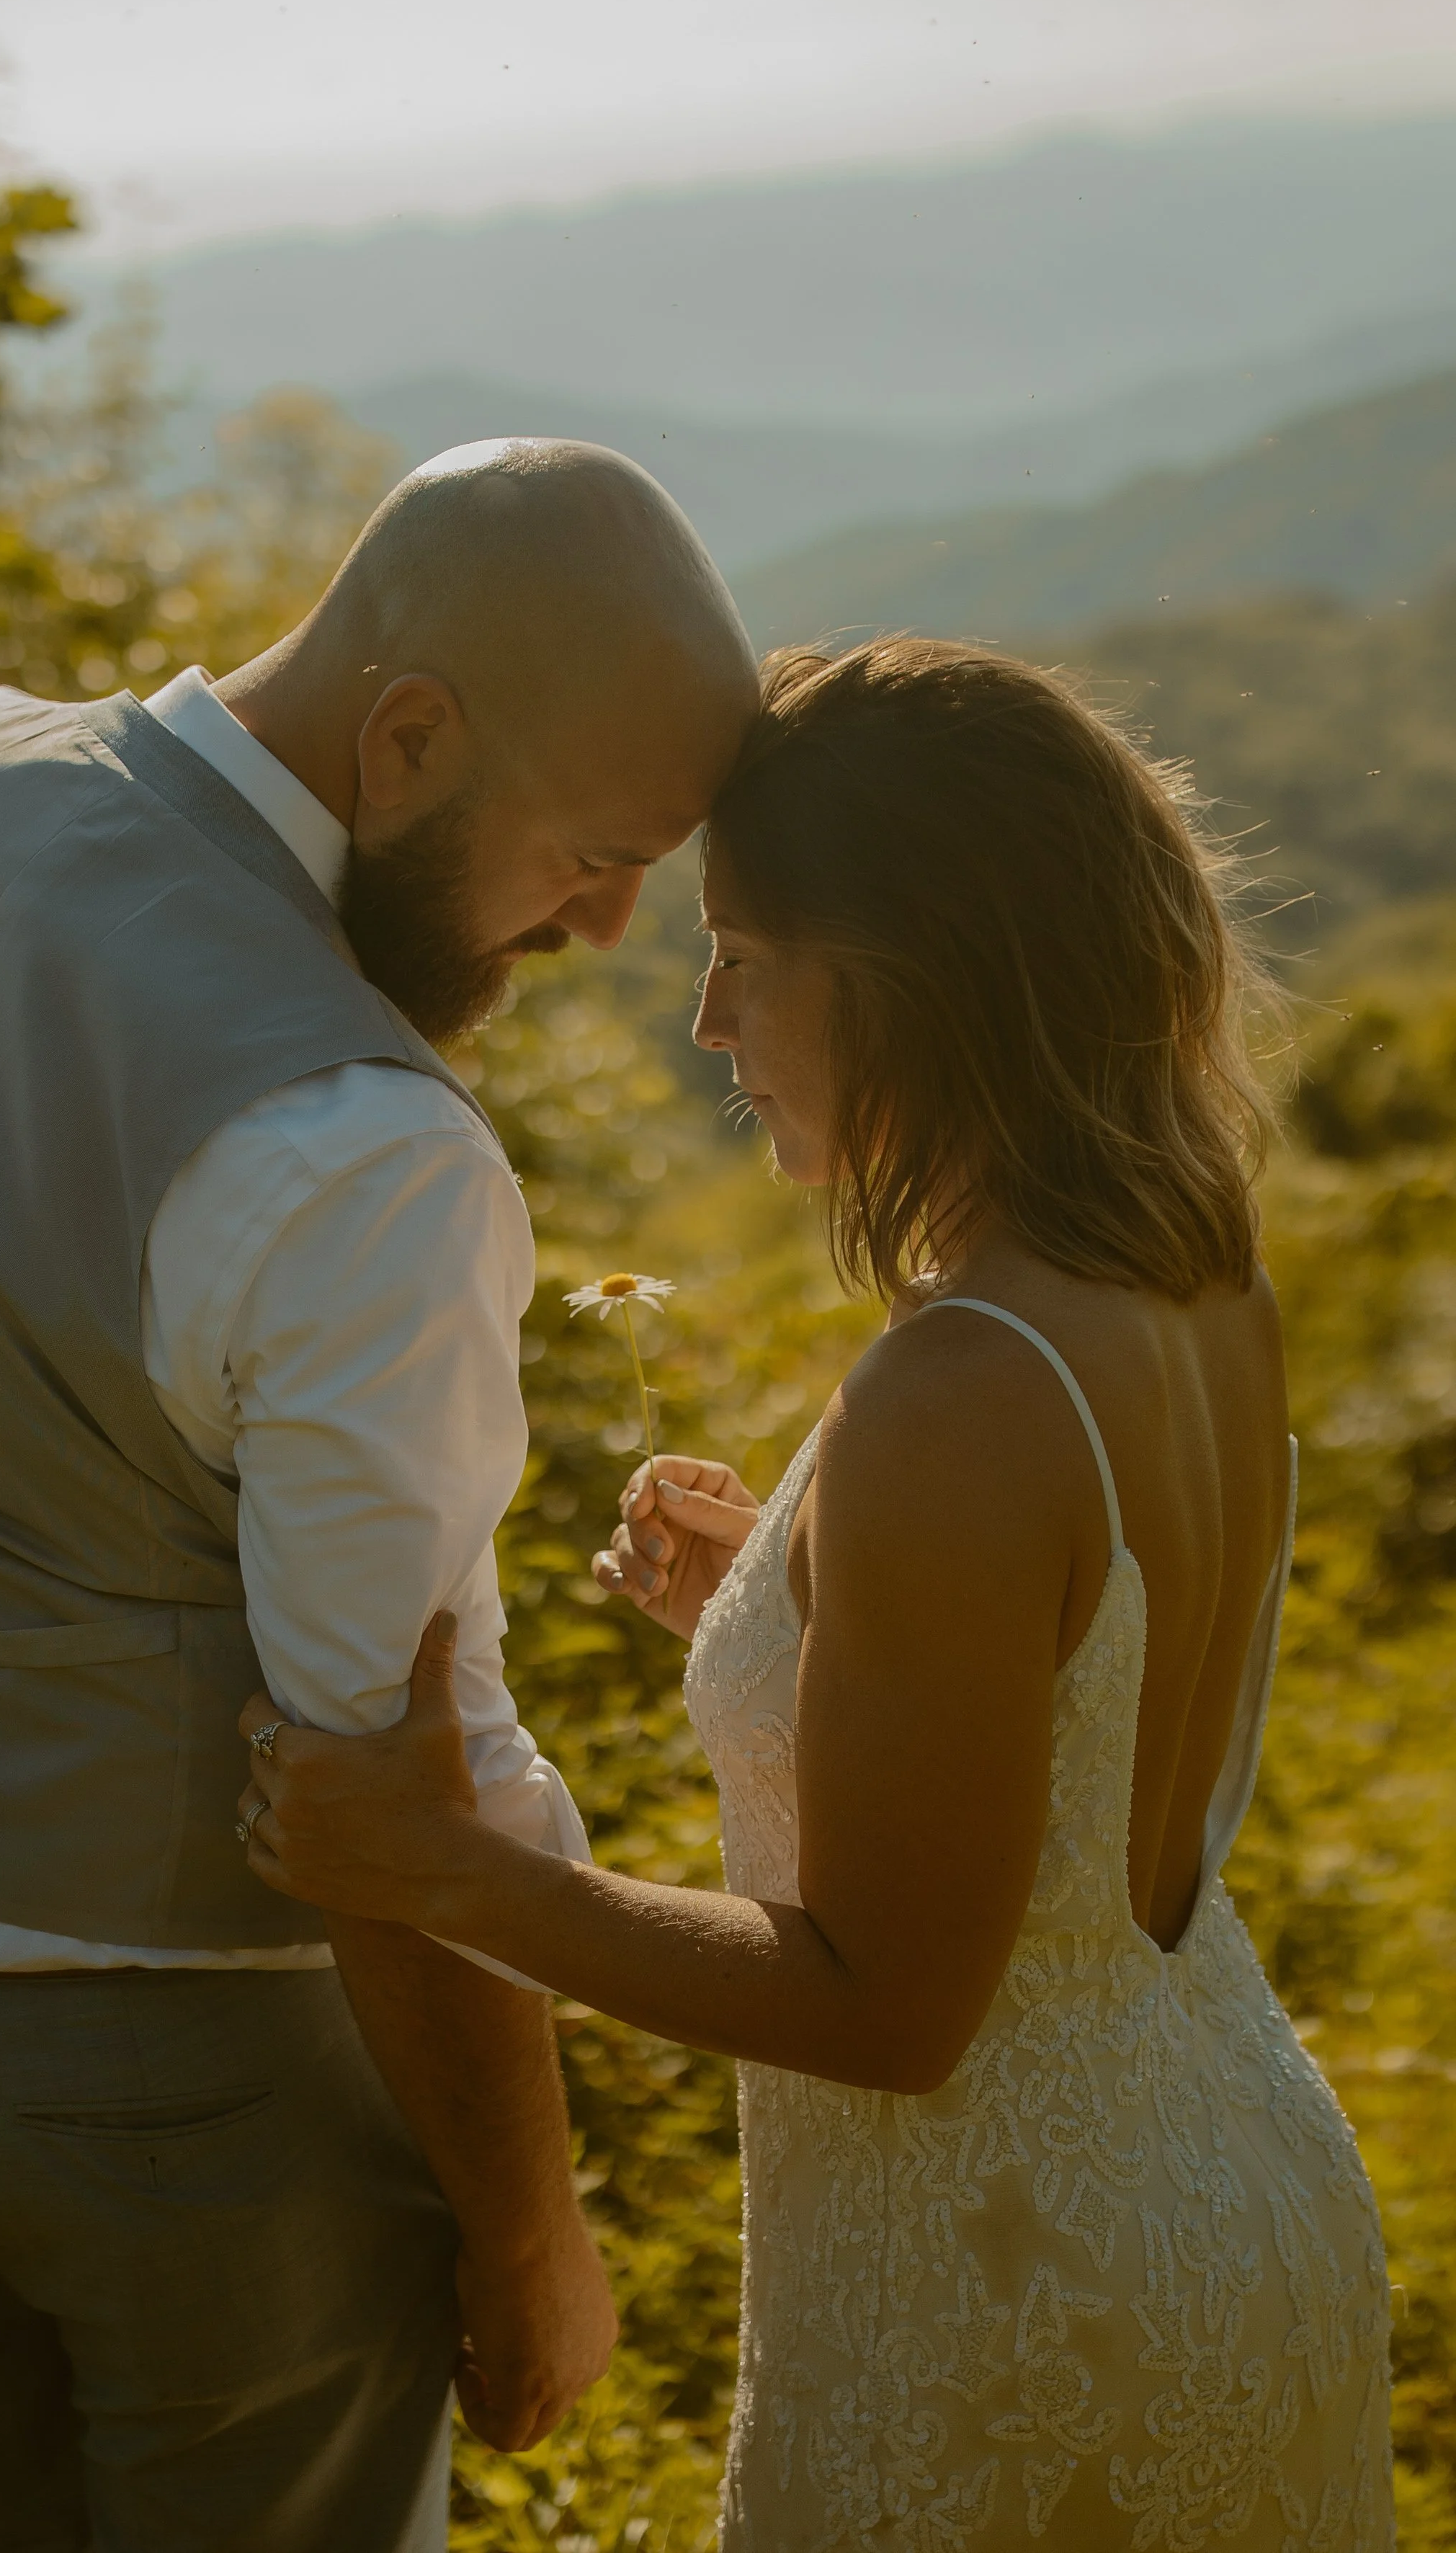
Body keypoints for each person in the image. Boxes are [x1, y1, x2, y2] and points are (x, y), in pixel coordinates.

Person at [0, 439, 760, 2552]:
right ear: (412, 734)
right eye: (595, 851)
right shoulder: (364, 1141)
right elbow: (395, 1784)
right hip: (202, 2105)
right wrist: (531, 2226)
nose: (612, 925)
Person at [237, 637, 1397, 2549]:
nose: (703, 1019)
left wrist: (434, 1860)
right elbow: (1063, 1782)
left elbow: (886, 2005)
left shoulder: (959, 1388)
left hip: (1019, 2288)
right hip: (1232, 2194)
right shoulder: (1203, 1288)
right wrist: (773, 1642)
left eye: (742, 952)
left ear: (907, 972)